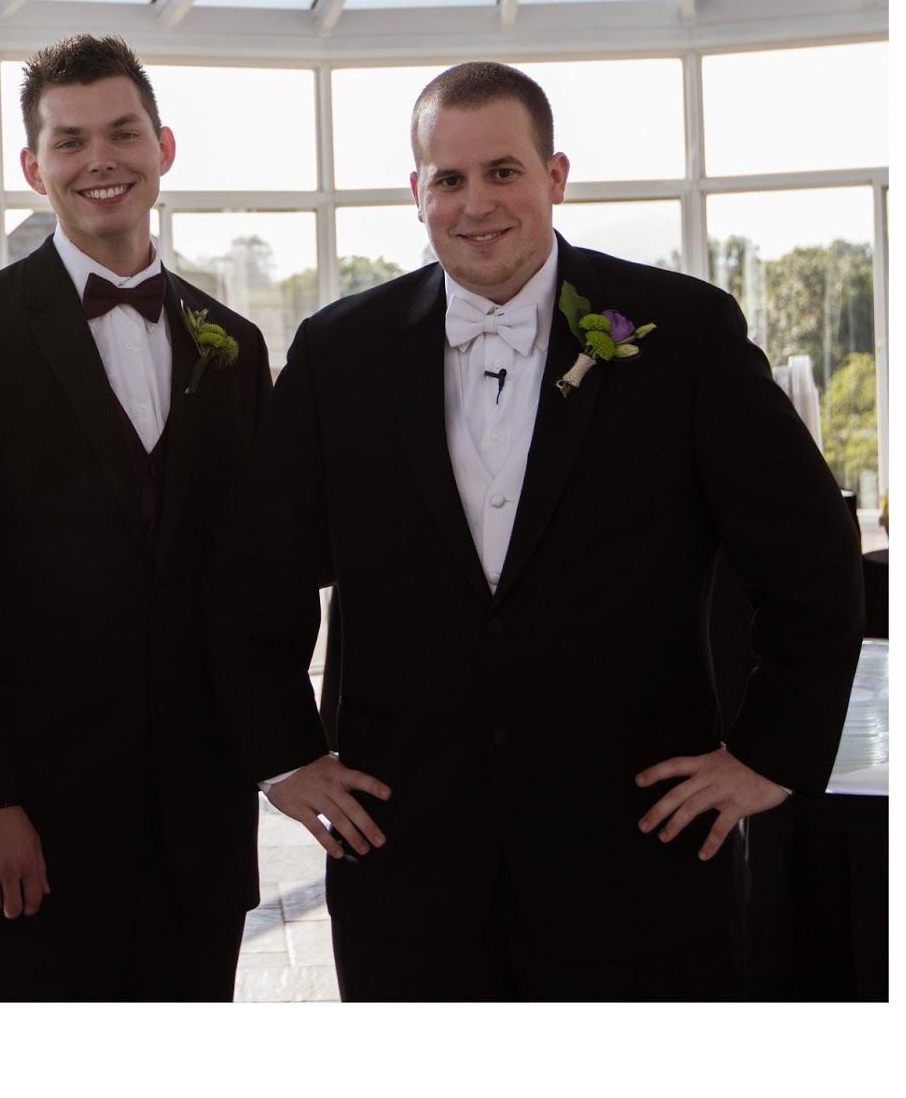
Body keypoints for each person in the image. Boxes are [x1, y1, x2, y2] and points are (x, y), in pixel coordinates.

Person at [213, 60, 863, 1000]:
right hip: (407, 865)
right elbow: (253, 572)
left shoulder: (681, 333)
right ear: (417, 193)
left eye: (504, 172)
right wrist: (283, 752)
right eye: (449, 179)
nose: (477, 203)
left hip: (641, 861)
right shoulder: (337, 353)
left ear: (555, 177)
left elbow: (809, 557)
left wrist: (769, 754)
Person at [0, 34, 271, 1000]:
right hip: (33, 826)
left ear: (164, 148)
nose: (100, 160)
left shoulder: (234, 346)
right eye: (69, 142)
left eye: (123, 133)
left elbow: (250, 573)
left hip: (198, 823)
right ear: (33, 167)